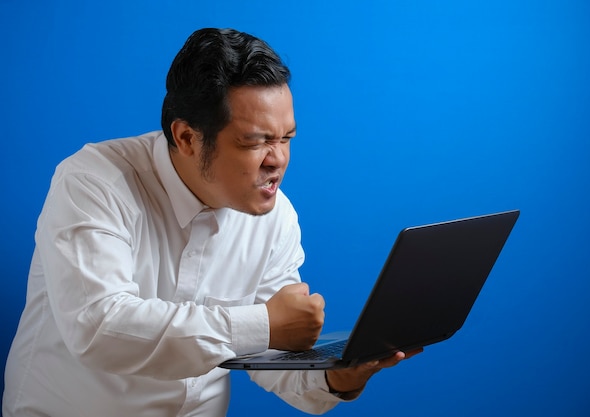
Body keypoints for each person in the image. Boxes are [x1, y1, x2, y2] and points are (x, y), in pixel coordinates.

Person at [3, 28, 418, 416]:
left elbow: (271, 354)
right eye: (255, 142)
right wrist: (263, 324)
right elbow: (100, 327)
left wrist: (336, 377)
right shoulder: (94, 182)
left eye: (286, 139)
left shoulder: (276, 215)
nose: (278, 161)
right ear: (185, 137)